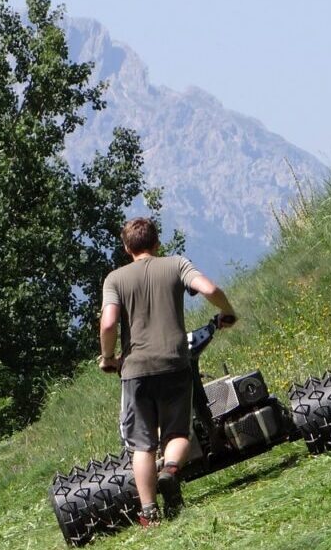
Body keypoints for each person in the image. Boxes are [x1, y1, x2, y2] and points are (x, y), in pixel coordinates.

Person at [97, 217, 237, 527]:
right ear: (157, 243)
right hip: (175, 363)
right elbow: (209, 288)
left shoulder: (115, 279)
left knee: (142, 444)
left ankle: (149, 514)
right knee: (177, 433)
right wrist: (227, 311)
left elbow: (108, 323)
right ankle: (170, 472)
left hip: (134, 370)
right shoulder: (176, 264)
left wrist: (108, 357)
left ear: (126, 248)